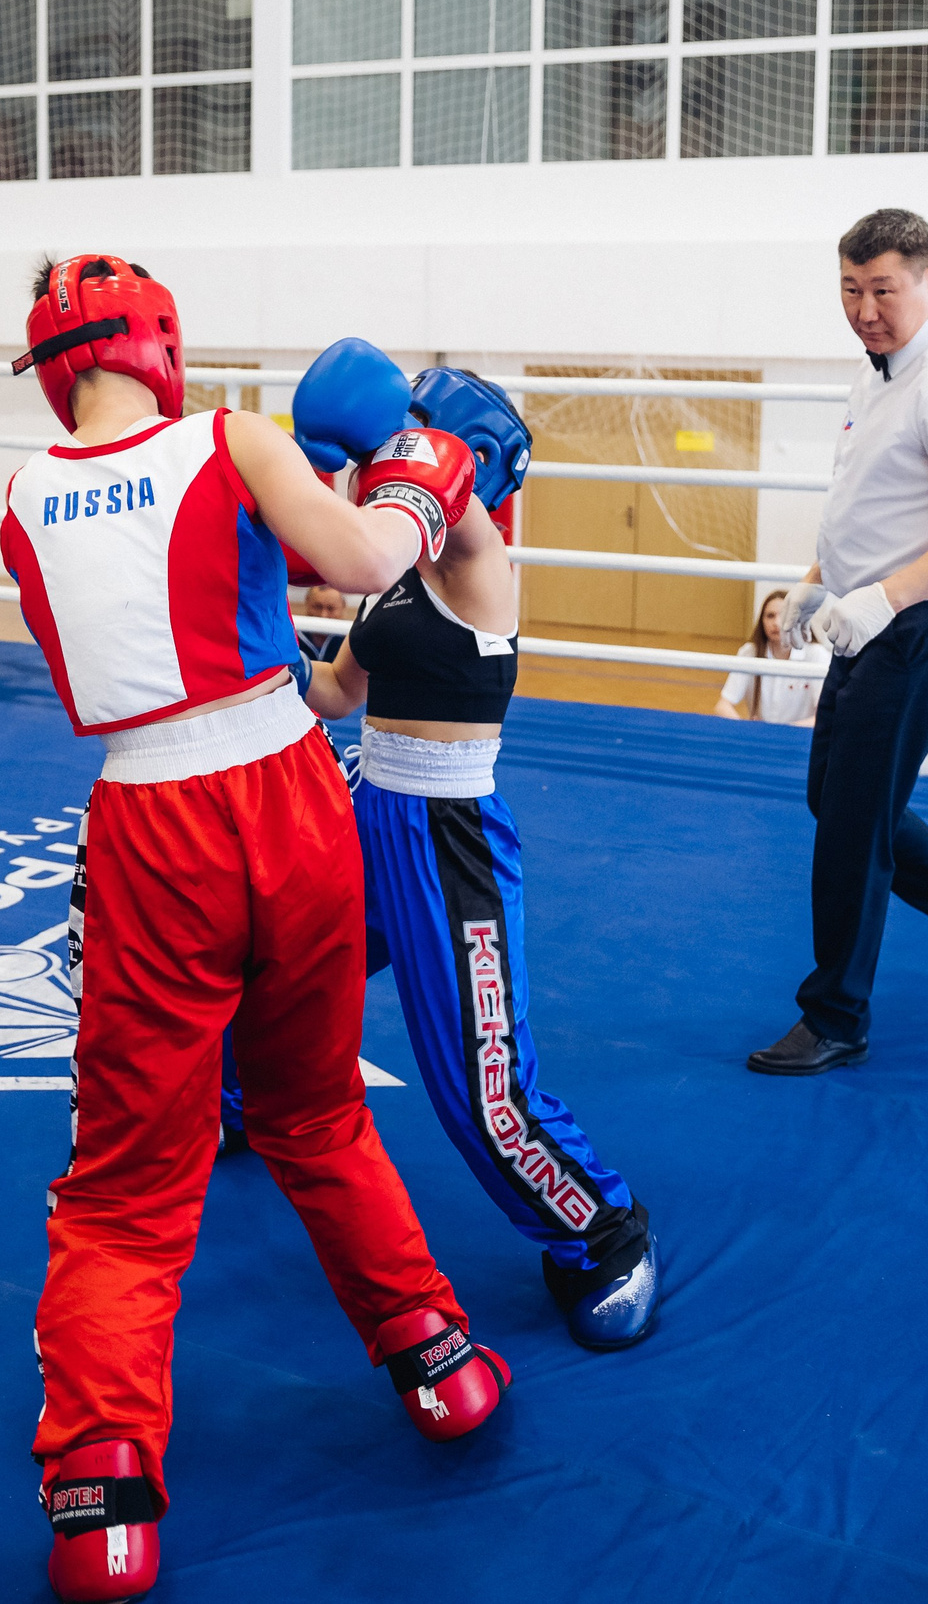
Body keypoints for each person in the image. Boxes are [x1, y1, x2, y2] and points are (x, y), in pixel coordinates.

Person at [0, 255, 504, 1604]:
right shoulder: (235, 437)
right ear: (161, 343)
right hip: (286, 797)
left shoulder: (19, 501)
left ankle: (103, 1491)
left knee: (124, 1179)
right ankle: (437, 1358)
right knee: (317, 1109)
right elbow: (368, 561)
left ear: (55, 367)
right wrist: (424, 470)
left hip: (148, 820)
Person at [291, 394, 661, 1352]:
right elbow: (336, 692)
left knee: (483, 1091)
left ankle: (606, 1234)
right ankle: (252, 1104)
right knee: (291, 966)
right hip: (373, 809)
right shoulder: (396, 559)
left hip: (448, 841)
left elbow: (428, 484)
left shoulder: (473, 553)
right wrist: (263, 634)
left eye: (411, 428)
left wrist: (368, 448)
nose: (393, 447)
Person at [748, 208, 928, 1078]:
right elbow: (876, 508)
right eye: (850, 289)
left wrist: (883, 597)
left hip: (923, 625)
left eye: (883, 290)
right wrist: (820, 580)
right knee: (833, 799)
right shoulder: (879, 375)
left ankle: (836, 1015)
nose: (865, 308)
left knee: (849, 825)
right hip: (874, 616)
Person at [714, 588, 820, 726]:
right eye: (770, 616)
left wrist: (784, 732)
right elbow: (722, 706)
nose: (776, 622)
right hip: (761, 738)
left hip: (801, 737)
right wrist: (746, 729)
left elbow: (824, 718)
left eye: (784, 615)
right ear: (761, 621)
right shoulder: (750, 652)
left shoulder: (816, 654)